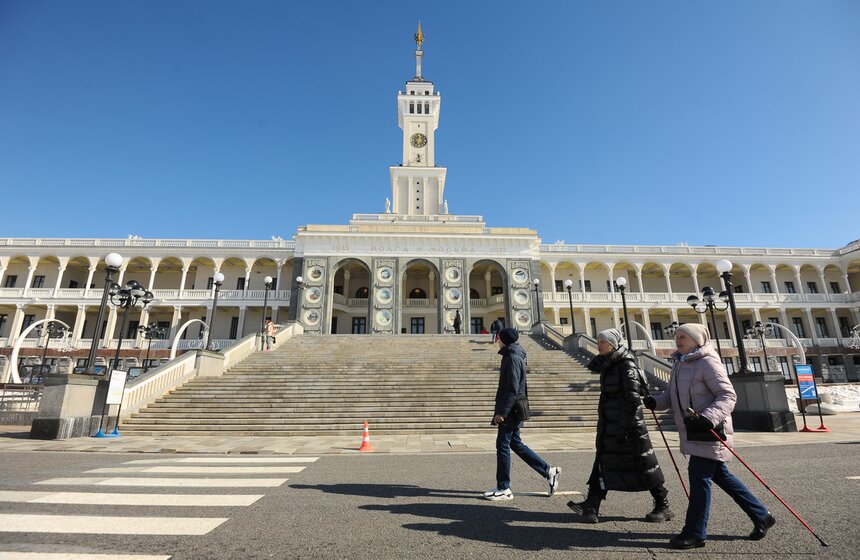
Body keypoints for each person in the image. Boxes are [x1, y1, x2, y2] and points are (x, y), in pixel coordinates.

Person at [644, 323, 775, 550]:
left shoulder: (707, 361)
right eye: (677, 336)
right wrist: (656, 401)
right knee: (721, 476)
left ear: (696, 340)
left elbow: (727, 395)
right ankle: (762, 515)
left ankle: (695, 532)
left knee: (699, 478)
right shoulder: (679, 363)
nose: (678, 340)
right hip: (695, 431)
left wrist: (708, 417)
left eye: (683, 336)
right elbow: (672, 395)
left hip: (708, 431)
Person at [567, 328, 672, 524]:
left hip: (629, 426)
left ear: (613, 344)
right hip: (611, 423)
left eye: (602, 342)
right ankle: (591, 505)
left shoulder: (626, 365)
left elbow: (633, 400)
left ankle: (663, 505)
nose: (598, 344)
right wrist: (602, 358)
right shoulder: (611, 363)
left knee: (645, 464)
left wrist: (623, 428)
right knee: (603, 462)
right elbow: (594, 367)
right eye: (597, 341)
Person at [484, 327, 561, 500]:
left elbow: (512, 389)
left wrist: (502, 412)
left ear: (504, 340)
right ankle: (548, 470)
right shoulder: (514, 354)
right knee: (515, 443)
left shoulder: (511, 357)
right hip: (513, 408)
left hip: (510, 409)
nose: (497, 341)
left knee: (503, 444)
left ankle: (504, 487)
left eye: (499, 338)